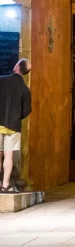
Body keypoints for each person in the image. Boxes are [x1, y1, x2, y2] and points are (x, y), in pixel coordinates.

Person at [0, 59, 31, 193]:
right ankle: (5, 185)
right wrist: (17, 117)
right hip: (13, 126)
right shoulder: (25, 90)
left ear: (17, 67)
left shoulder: (2, 81)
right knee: (8, 155)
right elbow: (27, 110)